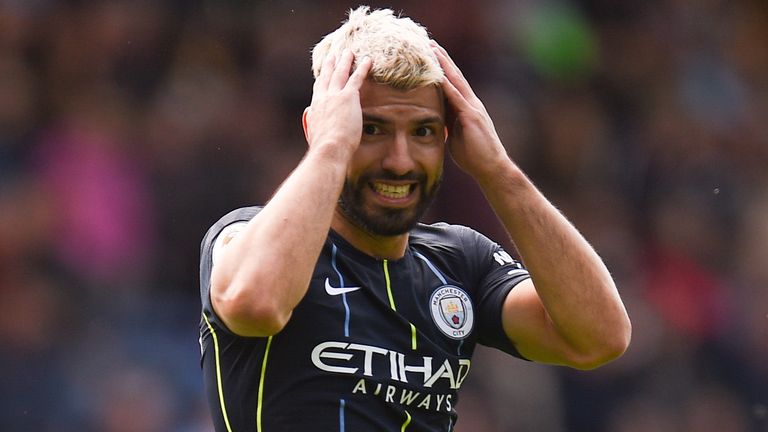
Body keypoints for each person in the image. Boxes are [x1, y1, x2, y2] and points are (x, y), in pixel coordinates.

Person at [198, 6, 631, 431]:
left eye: (423, 132)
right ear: (322, 125)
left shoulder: (460, 262)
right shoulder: (242, 236)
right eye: (372, 129)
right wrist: (330, 148)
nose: (401, 162)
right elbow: (255, 305)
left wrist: (498, 170)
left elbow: (599, 337)